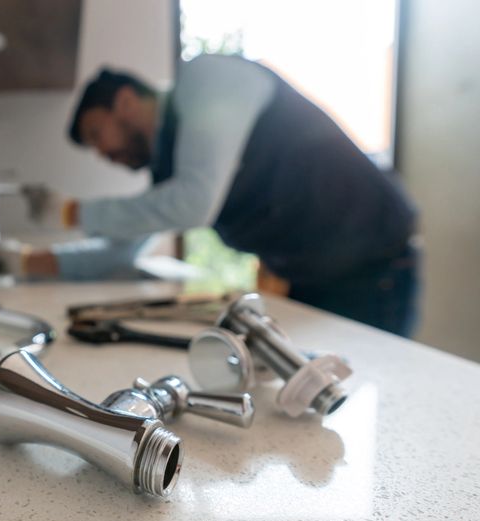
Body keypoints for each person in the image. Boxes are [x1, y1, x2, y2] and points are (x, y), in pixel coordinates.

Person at [21, 54, 419, 337]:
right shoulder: (170, 167)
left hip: (372, 271)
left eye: (97, 135)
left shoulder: (208, 79)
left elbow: (194, 203)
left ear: (125, 101)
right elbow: (122, 250)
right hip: (314, 280)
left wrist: (72, 212)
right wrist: (28, 261)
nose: (103, 154)